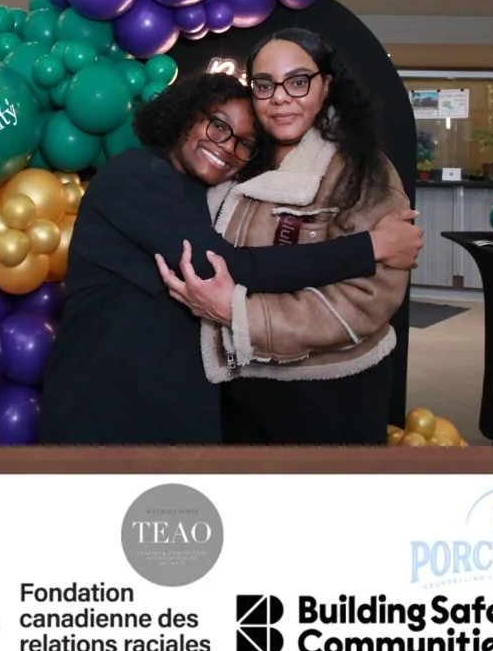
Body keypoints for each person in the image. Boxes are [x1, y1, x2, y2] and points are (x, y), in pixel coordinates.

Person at [39, 71, 422, 444]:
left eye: (244, 143)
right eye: (219, 126)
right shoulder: (136, 175)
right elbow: (228, 267)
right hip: (102, 408)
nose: (227, 147)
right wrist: (372, 247)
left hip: (170, 408)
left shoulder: (206, 196)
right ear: (187, 116)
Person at [156, 29, 417, 444]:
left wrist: (238, 314)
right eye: (265, 85)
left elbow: (366, 299)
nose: (280, 97)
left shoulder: (362, 171)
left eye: (297, 82)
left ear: (325, 85)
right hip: (235, 388)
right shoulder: (234, 160)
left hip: (326, 394)